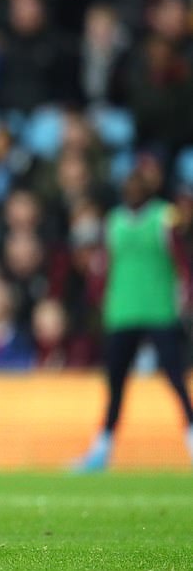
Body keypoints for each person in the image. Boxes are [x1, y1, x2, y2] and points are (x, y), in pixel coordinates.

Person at [74, 170, 193, 471]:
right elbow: (104, 267)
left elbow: (182, 261)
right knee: (115, 383)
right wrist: (100, 301)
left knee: (176, 378)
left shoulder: (164, 218)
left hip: (159, 309)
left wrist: (185, 298)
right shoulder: (113, 222)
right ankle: (102, 449)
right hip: (122, 311)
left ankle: (190, 437)